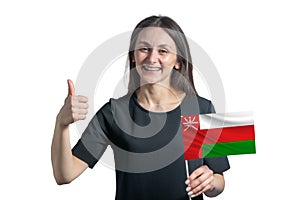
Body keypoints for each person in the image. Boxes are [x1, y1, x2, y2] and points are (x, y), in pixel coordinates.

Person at [51, 15, 230, 200]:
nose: (152, 58)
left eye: (163, 51)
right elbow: (64, 175)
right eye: (144, 49)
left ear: (178, 61)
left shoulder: (203, 107)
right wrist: (61, 124)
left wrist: (211, 182)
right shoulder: (113, 112)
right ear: (133, 57)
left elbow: (220, 180)